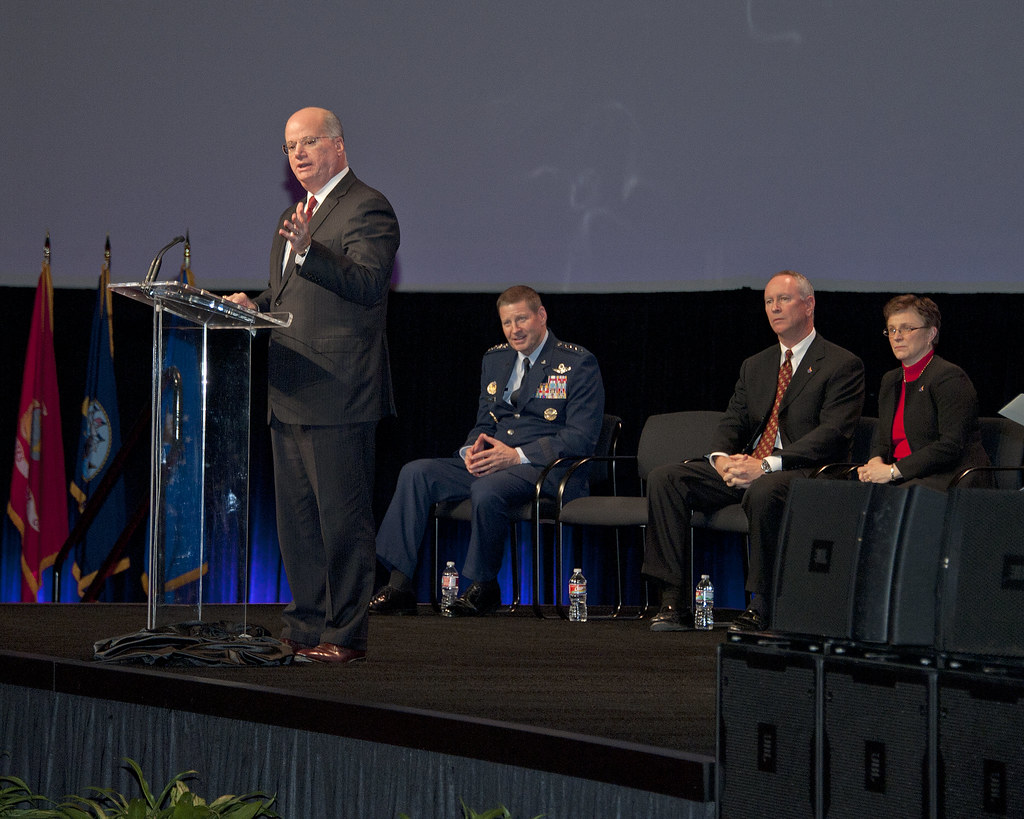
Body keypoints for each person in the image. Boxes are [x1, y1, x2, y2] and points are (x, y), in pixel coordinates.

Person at [227, 107, 400, 663]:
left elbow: (369, 284)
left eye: (307, 143)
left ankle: (344, 635)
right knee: (298, 522)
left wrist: (306, 249)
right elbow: (291, 297)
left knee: (342, 521)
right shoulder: (293, 213)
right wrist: (254, 304)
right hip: (290, 389)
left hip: (340, 390)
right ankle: (303, 626)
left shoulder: (368, 206)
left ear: (339, 146)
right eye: (289, 147)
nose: (298, 155)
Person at [643, 271, 865, 632]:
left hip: (805, 470)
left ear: (809, 305)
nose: (774, 308)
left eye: (784, 299)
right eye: (768, 301)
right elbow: (734, 420)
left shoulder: (841, 364)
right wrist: (721, 458)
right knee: (666, 479)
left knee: (765, 489)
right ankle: (673, 601)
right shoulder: (756, 364)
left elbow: (833, 434)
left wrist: (766, 464)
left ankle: (762, 604)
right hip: (751, 465)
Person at [370, 285, 605, 616]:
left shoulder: (577, 362)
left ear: (541, 316)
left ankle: (484, 585)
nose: (514, 330)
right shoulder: (496, 360)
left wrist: (516, 456)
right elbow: (485, 422)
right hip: (496, 463)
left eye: (521, 319)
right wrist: (472, 449)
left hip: (547, 468)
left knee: (487, 488)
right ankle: (399, 584)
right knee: (416, 473)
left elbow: (581, 437)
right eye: (507, 323)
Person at [857, 294, 989, 489]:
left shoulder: (948, 377)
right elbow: (883, 440)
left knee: (891, 499)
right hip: (904, 476)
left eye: (907, 329)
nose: (897, 336)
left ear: (931, 334)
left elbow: (950, 447)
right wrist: (875, 463)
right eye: (892, 330)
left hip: (948, 477)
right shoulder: (891, 380)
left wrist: (892, 471)